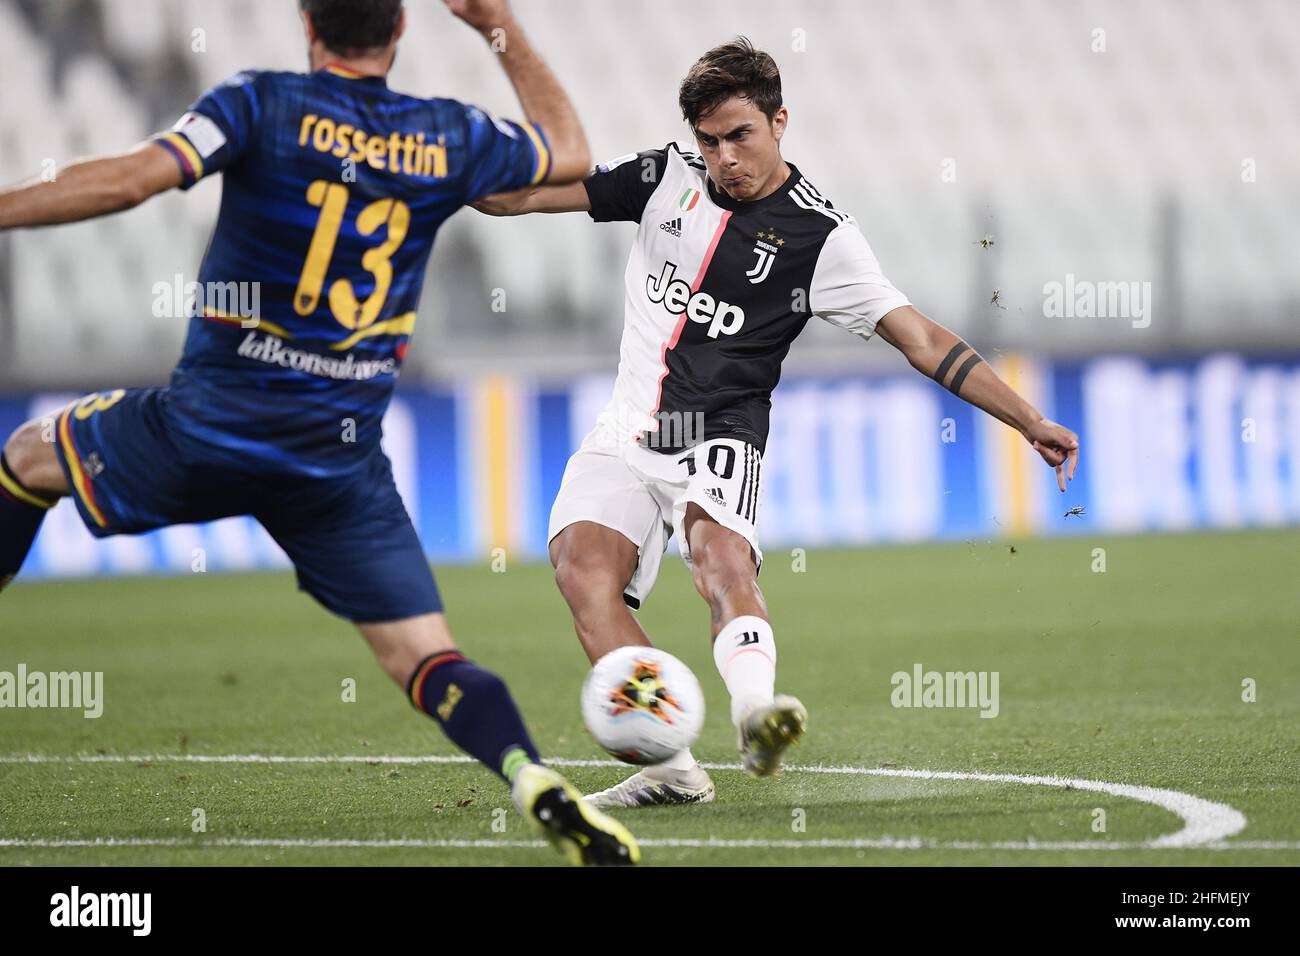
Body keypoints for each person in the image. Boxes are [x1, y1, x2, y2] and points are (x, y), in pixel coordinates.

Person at [0, 0, 638, 865]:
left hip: (207, 427)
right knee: (426, 657)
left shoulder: (260, 102)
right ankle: (534, 780)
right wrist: (495, 23)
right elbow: (570, 153)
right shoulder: (445, 134)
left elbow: (133, 179)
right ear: (401, 29)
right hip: (335, 463)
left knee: (29, 456)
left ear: (307, 24)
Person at [474, 37, 1080, 808]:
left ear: (779, 121)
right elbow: (517, 199)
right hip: (628, 430)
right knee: (581, 575)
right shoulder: (661, 179)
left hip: (722, 434)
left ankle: (758, 713)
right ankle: (669, 767)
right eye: (709, 140)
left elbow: (921, 338)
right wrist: (433, 178)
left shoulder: (820, 237)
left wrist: (1028, 419)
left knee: (718, 559)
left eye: (740, 136)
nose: (724, 157)